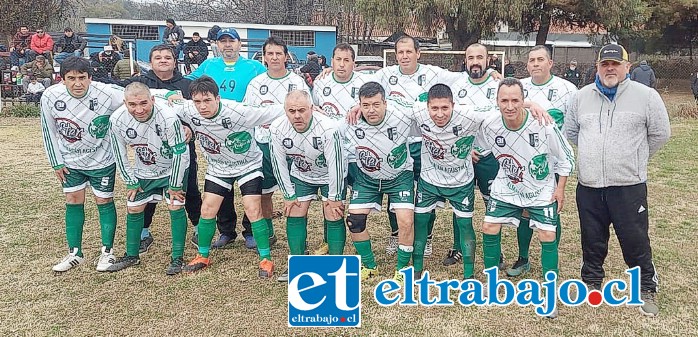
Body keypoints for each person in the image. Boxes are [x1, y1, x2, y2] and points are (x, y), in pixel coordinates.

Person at [564, 44, 670, 317]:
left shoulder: (646, 96)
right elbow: (572, 132)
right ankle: (591, 282)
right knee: (592, 238)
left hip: (628, 185)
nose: (610, 69)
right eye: (605, 64)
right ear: (597, 67)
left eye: (615, 64)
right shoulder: (581, 97)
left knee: (634, 239)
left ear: (627, 66)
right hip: (589, 185)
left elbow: (660, 134)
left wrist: (634, 158)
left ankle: (645, 286)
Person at [481, 77, 575, 318]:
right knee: (489, 226)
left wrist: (560, 189)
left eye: (515, 100)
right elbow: (464, 126)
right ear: (496, 101)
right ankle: (490, 283)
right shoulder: (490, 123)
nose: (509, 106)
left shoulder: (542, 124)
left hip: (540, 187)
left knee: (547, 233)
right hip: (507, 184)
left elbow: (566, 158)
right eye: (504, 100)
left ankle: (549, 292)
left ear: (524, 101)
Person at [174, 76, 284, 277]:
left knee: (252, 209)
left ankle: (266, 259)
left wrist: (306, 105)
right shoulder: (188, 110)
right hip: (219, 168)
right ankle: (203, 256)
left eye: (207, 100)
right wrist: (169, 96)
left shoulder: (238, 112)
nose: (202, 106)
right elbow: (161, 100)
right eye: (197, 101)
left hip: (248, 165)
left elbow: (273, 111)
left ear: (218, 98)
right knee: (207, 209)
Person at [370, 35, 464, 258]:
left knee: (425, 193)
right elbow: (360, 83)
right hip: (396, 142)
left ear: (418, 53)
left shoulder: (433, 73)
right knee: (396, 191)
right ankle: (396, 234)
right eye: (400, 52)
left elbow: (463, 79)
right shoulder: (386, 75)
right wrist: (328, 73)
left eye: (408, 52)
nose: (404, 56)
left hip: (425, 143)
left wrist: (490, 74)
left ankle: (427, 237)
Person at [40, 56, 124, 272]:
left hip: (102, 160)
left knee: (104, 201)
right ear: (62, 79)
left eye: (82, 78)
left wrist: (168, 96)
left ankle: (107, 252)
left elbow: (136, 96)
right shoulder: (50, 96)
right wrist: (56, 163)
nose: (77, 83)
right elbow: (48, 130)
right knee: (73, 201)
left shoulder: (106, 93)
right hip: (70, 162)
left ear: (90, 78)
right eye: (71, 78)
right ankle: (75, 253)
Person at [508, 45, 578, 277]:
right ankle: (523, 257)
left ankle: (552, 257)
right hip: (525, 161)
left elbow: (574, 123)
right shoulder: (521, 87)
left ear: (550, 63)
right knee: (525, 209)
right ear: (527, 65)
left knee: (551, 210)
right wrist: (530, 104)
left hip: (553, 162)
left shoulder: (567, 89)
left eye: (540, 59)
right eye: (531, 60)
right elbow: (504, 105)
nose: (535, 64)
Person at [106, 82, 190, 274]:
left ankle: (177, 258)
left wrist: (176, 184)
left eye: (144, 103)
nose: (139, 109)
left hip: (172, 169)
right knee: (134, 207)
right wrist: (130, 179)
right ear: (125, 103)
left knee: (175, 206)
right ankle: (131, 255)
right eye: (133, 105)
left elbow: (180, 152)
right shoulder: (117, 119)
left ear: (152, 100)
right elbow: (118, 152)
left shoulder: (168, 117)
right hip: (144, 170)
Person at [241, 36, 310, 250]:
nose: (274, 57)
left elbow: (307, 112)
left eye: (278, 53)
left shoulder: (296, 83)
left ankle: (299, 239)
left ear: (286, 56)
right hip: (264, 145)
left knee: (298, 194)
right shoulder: (256, 83)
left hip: (293, 146)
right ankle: (269, 233)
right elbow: (248, 115)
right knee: (264, 192)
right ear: (264, 57)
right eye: (269, 53)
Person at [270, 90, 347, 281]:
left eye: (302, 110)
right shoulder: (277, 128)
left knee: (333, 212)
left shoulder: (329, 128)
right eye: (292, 111)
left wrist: (335, 197)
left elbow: (336, 164)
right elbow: (278, 162)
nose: (297, 115)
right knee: (294, 210)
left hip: (330, 175)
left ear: (312, 109)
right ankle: (297, 261)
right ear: (285, 110)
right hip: (302, 174)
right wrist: (288, 195)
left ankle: (335, 264)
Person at [411, 84, 485, 280]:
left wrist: (529, 104)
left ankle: (468, 274)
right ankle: (417, 269)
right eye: (434, 108)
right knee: (420, 222)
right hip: (429, 178)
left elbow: (499, 113)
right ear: (427, 107)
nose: (440, 114)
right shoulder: (417, 111)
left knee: (465, 224)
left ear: (454, 105)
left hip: (461, 181)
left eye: (445, 108)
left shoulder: (470, 115)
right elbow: (389, 108)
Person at [345, 81, 415, 282]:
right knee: (354, 221)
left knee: (406, 221)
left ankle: (402, 270)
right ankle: (369, 266)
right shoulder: (351, 120)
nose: (371, 110)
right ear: (359, 104)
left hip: (399, 176)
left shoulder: (402, 116)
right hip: (367, 178)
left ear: (385, 103)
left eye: (376, 104)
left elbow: (428, 114)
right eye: (365, 105)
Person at [187, 28, 267, 101]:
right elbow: (184, 82)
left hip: (244, 115)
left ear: (240, 44)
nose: (227, 45)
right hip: (215, 115)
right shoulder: (208, 64)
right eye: (223, 41)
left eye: (232, 41)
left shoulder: (256, 66)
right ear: (217, 44)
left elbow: (273, 83)